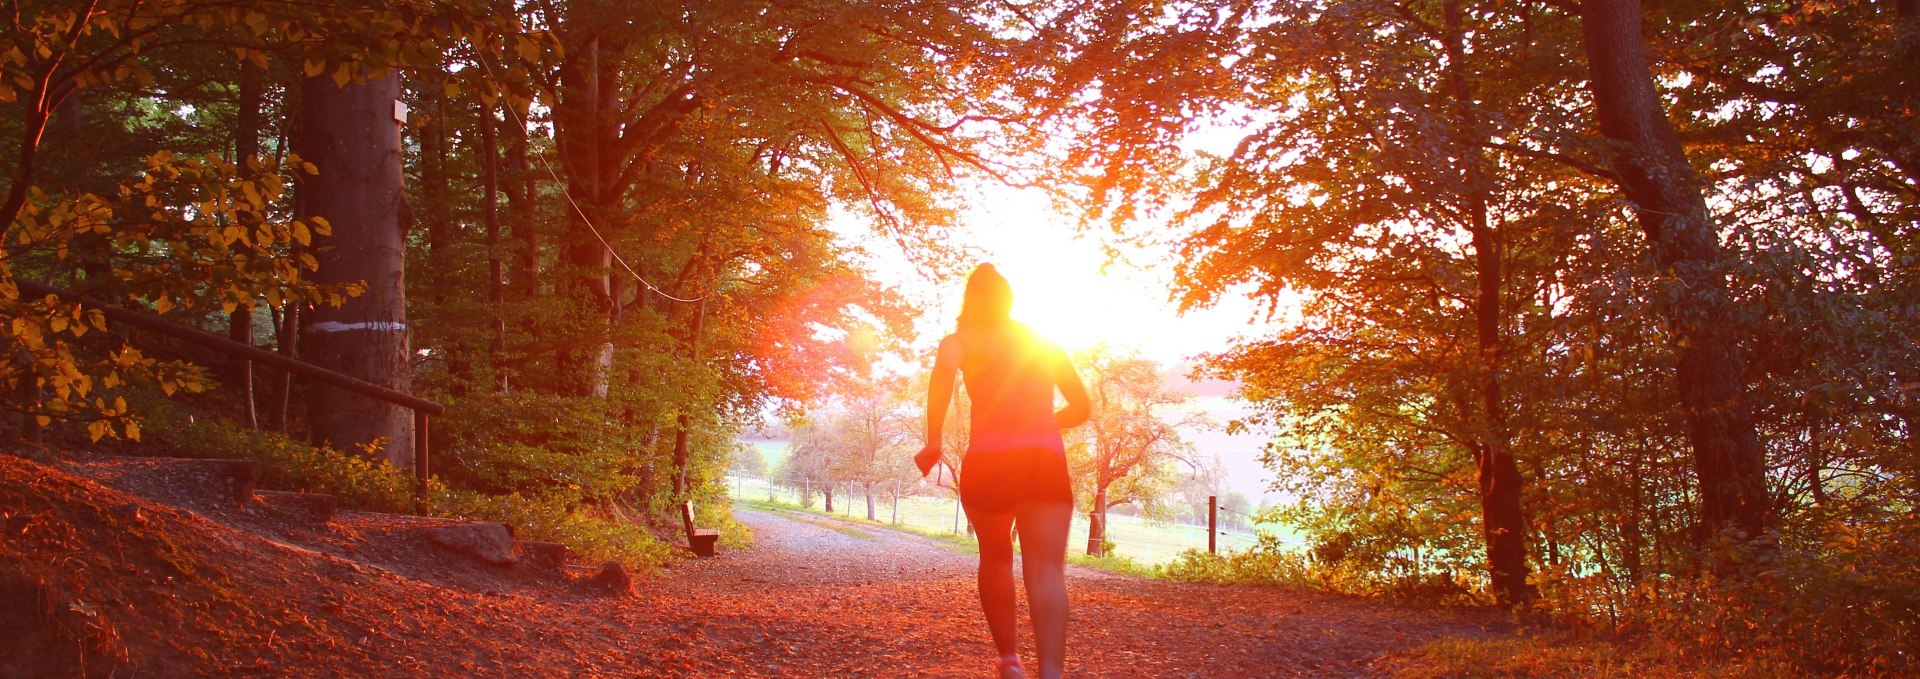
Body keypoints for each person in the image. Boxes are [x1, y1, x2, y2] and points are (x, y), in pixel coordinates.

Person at [916, 264, 1089, 679]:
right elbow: (1082, 406)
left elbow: (940, 383)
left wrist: (934, 440)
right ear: (1009, 299)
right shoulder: (1042, 341)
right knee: (1046, 570)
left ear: (969, 301)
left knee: (995, 557)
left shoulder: (958, 342)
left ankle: (1010, 661)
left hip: (988, 461)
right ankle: (1050, 673)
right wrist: (1044, 424)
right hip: (1043, 462)